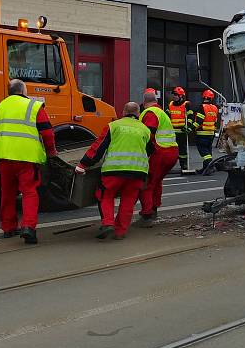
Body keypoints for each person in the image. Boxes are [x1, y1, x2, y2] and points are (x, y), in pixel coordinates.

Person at [0, 79, 57, 244]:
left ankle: (8, 228)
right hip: (26, 158)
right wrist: (51, 152)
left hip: (4, 158)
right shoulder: (33, 106)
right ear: (23, 91)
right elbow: (47, 133)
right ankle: (28, 227)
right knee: (29, 192)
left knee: (7, 193)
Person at [75, 102, 151, 240]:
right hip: (138, 172)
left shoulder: (114, 126)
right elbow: (150, 150)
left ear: (123, 112)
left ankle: (108, 223)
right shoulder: (145, 129)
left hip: (113, 170)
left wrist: (83, 164)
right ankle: (120, 231)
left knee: (105, 195)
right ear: (138, 114)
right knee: (128, 200)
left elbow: (98, 148)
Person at [137, 90, 179, 226]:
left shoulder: (150, 113)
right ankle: (154, 208)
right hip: (172, 151)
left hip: (160, 152)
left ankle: (147, 214)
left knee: (147, 183)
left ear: (144, 103)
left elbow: (148, 134)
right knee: (156, 181)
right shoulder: (162, 112)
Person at [190, 89, 219, 171]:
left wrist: (190, 128)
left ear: (203, 97)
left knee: (203, 151)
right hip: (211, 133)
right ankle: (206, 168)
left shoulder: (202, 107)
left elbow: (199, 121)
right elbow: (215, 121)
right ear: (211, 98)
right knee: (208, 151)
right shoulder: (215, 108)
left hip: (202, 133)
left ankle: (210, 164)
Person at [168, 87, 191, 171]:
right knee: (171, 150)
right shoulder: (170, 104)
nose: (174, 96)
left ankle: (183, 164)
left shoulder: (186, 104)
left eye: (176, 95)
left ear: (181, 96)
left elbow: (190, 117)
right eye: (173, 95)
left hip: (182, 131)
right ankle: (169, 166)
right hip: (172, 132)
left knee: (182, 150)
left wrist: (187, 126)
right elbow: (167, 116)